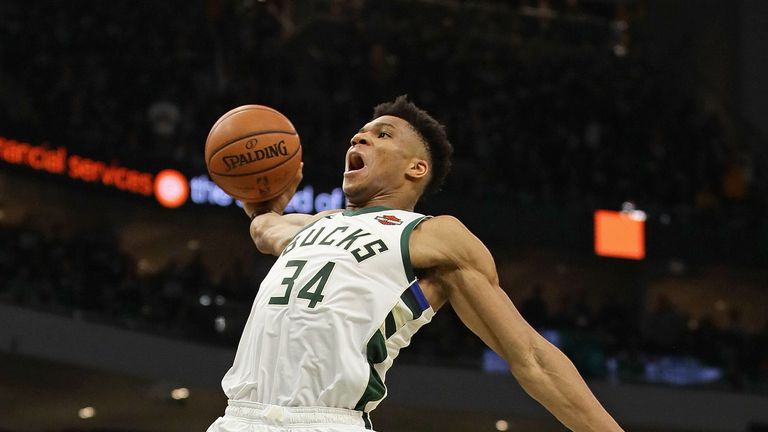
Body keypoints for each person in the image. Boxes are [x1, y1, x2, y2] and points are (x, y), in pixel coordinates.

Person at [207, 96, 623, 432]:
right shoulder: (315, 224)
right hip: (238, 418)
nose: (359, 139)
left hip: (326, 421)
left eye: (381, 135)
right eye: (359, 134)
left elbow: (530, 355)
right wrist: (263, 197)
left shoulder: (433, 235)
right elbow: (266, 231)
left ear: (416, 168)